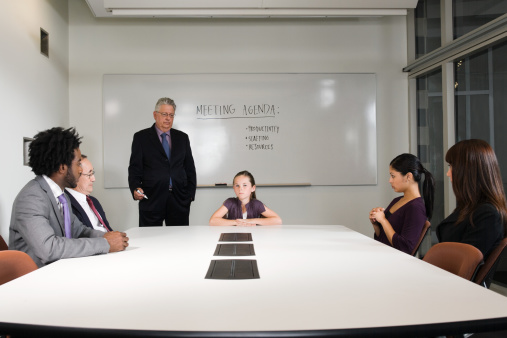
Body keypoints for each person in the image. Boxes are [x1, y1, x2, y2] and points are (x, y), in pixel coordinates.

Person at [9, 127, 128, 267]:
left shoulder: (61, 195)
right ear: (62, 167)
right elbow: (49, 248)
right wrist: (105, 244)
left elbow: (79, 230)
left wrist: (108, 237)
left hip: (59, 270)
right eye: (78, 163)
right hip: (35, 278)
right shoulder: (31, 197)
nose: (80, 170)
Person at [128, 97, 197, 226]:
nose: (168, 118)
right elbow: (135, 168)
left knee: (179, 240)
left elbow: (190, 169)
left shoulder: (182, 138)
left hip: (179, 200)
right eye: (164, 114)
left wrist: (190, 195)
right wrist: (135, 188)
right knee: (150, 241)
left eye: (171, 115)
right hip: (152, 199)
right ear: (155, 115)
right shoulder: (141, 138)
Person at [437, 139, 507, 259]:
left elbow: (461, 263)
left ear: (468, 170)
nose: (448, 173)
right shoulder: (470, 208)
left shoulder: (488, 215)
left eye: (451, 166)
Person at [369, 154, 435, 254]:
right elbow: (382, 239)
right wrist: (376, 224)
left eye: (393, 176)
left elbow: (404, 248)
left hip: (394, 262)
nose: (390, 180)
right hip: (381, 254)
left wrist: (383, 220)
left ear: (408, 176)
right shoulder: (397, 200)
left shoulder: (416, 208)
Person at [209, 170, 282, 226]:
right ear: (234, 188)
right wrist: (237, 222)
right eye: (237, 185)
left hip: (253, 237)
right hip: (233, 237)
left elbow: (278, 220)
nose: (240, 189)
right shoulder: (230, 202)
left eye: (245, 185)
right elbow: (212, 221)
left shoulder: (257, 204)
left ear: (253, 188)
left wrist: (252, 221)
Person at [66, 155, 113, 232]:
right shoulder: (66, 205)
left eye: (93, 173)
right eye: (89, 174)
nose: (93, 179)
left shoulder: (94, 201)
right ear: (74, 175)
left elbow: (108, 229)